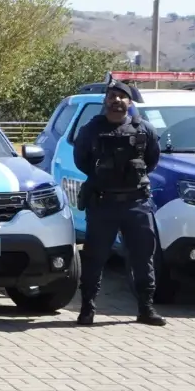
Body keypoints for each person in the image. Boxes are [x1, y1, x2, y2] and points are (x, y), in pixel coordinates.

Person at [72, 79, 165, 326]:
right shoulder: (91, 130)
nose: (116, 101)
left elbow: (152, 161)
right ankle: (87, 309)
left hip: (136, 204)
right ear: (105, 101)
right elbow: (82, 161)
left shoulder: (144, 129)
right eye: (112, 96)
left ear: (129, 102)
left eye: (122, 97)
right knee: (95, 258)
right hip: (103, 204)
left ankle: (146, 309)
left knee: (143, 257)